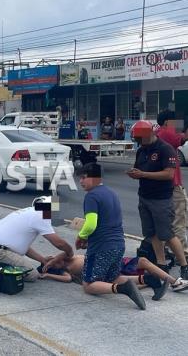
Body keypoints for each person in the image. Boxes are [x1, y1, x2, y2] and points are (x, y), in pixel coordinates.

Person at [73, 162, 145, 309]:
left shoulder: (91, 196)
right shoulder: (111, 192)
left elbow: (91, 223)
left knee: (88, 285)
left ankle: (123, 289)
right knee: (113, 277)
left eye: (83, 178)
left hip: (101, 247)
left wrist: (81, 236)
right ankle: (149, 279)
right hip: (118, 245)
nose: (80, 181)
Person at [127, 120, 188, 280]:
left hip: (161, 198)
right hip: (144, 196)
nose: (139, 142)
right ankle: (161, 265)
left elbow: (169, 174)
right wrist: (135, 173)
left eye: (140, 139)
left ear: (150, 134)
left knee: (167, 234)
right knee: (151, 233)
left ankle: (184, 266)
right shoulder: (141, 151)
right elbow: (139, 169)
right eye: (137, 139)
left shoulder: (165, 149)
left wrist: (143, 174)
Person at [0, 196, 74, 282]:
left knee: (19, 265)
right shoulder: (40, 215)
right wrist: (69, 251)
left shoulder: (28, 211)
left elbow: (24, 247)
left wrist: (42, 260)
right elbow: (59, 243)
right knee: (32, 275)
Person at [41, 254, 188, 300]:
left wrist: (52, 259)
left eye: (55, 261)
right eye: (55, 265)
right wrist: (48, 274)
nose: (57, 263)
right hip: (105, 273)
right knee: (125, 281)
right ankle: (150, 281)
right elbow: (66, 279)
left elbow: (65, 250)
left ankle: (174, 282)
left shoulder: (70, 257)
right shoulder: (66, 271)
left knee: (142, 261)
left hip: (110, 260)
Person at [156, 110, 188, 260]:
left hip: (162, 185)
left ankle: (170, 249)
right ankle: (183, 253)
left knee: (168, 219)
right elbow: (182, 139)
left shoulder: (158, 132)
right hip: (173, 183)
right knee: (179, 219)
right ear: (168, 122)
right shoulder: (167, 132)